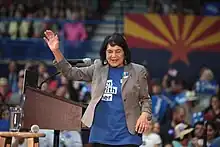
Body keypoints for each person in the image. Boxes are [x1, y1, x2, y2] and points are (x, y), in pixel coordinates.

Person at [43, 30, 152, 147]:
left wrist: (145, 114)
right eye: (110, 52)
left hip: (128, 135)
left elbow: (145, 99)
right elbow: (70, 73)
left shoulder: (138, 71)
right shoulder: (98, 68)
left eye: (118, 51)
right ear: (104, 53)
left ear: (125, 53)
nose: (113, 56)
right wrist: (56, 51)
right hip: (101, 134)